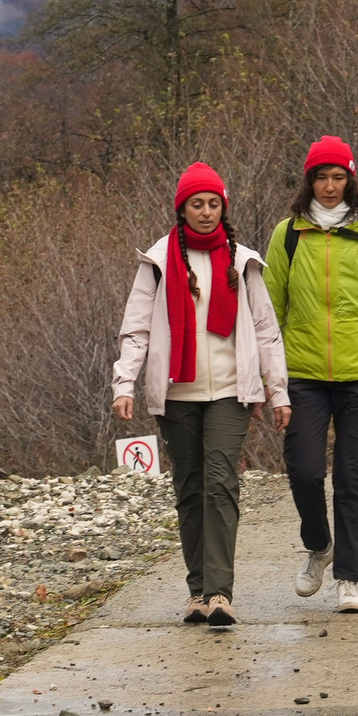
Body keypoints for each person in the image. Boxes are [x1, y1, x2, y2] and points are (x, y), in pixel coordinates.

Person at [113, 163, 293, 627]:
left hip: (231, 392)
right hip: (175, 393)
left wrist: (278, 393)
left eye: (214, 204)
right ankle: (197, 592)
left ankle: (219, 593)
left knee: (220, 483)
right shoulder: (156, 263)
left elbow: (266, 332)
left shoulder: (242, 262)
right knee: (190, 489)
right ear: (182, 209)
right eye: (198, 204)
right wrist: (124, 384)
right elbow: (135, 331)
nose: (207, 212)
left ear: (224, 207)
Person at [262, 135, 358, 614]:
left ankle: (348, 577)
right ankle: (319, 546)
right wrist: (268, 381)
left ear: (351, 180)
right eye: (321, 177)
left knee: (351, 477)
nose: (330, 186)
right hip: (303, 373)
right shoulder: (288, 234)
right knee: (305, 471)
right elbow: (268, 313)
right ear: (308, 181)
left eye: (338, 177)